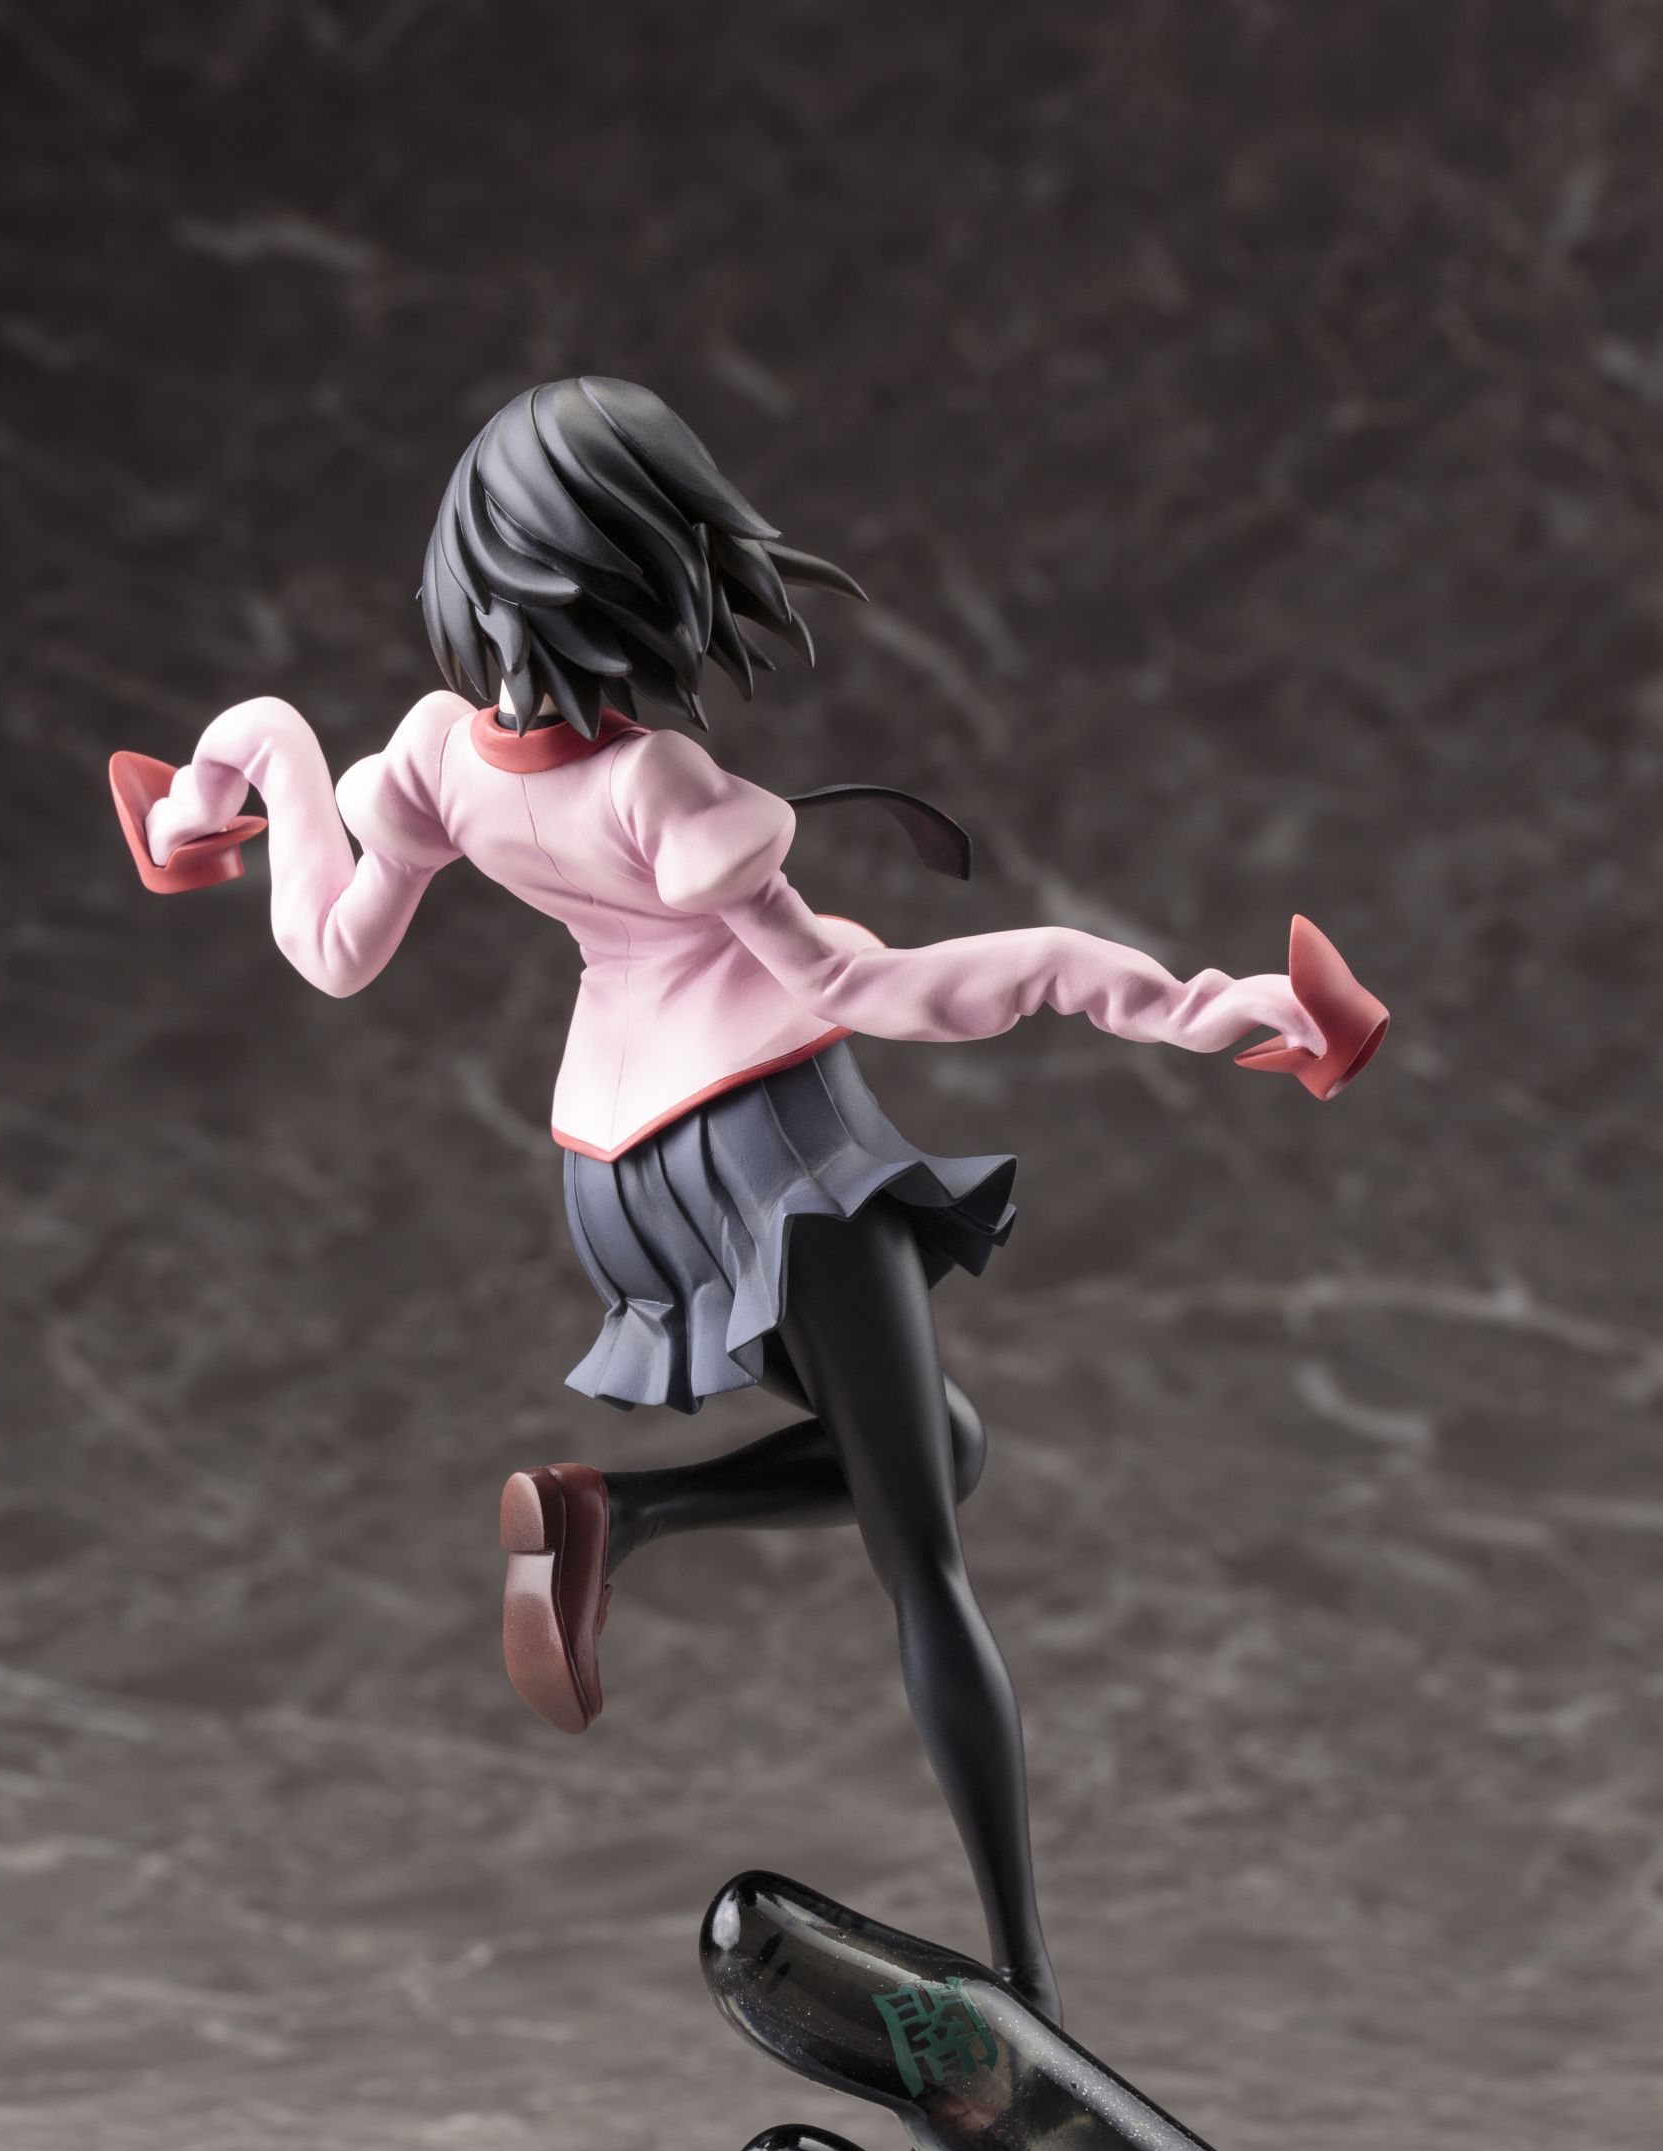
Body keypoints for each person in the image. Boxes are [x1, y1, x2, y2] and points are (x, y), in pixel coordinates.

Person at [110, 374, 1387, 2024]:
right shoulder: (665, 791)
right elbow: (873, 988)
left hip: (615, 1179)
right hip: (775, 1154)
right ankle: (1029, 1992)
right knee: (925, 1559)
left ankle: (616, 1515)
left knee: (941, 1447)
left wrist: (254, 756)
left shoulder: (432, 754)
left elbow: (332, 951)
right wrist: (1182, 999)